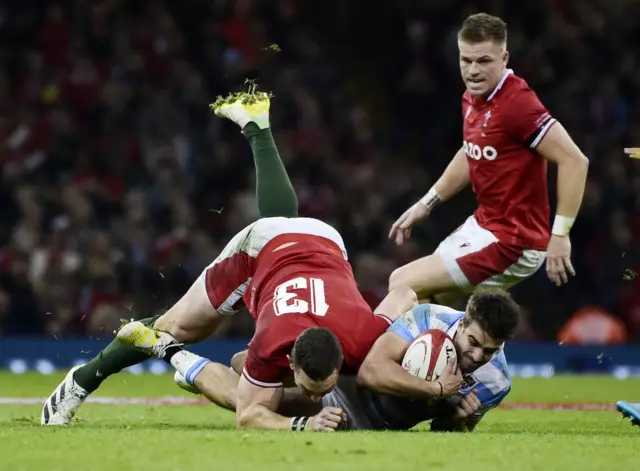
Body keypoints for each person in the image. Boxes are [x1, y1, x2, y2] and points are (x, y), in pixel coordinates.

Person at [41, 90, 434, 430]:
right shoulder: (271, 343)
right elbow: (248, 406)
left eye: (326, 386)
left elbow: (403, 295)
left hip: (323, 241)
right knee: (175, 328)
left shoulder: (364, 338)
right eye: (316, 387)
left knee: (266, 382)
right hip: (264, 251)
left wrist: (412, 340)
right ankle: (82, 380)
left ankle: (258, 126)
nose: (322, 398)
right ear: (291, 366)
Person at [388, 13, 589, 305]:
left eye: (483, 61)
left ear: (504, 57)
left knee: (401, 284)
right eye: (465, 60)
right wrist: (426, 204)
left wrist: (560, 236)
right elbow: (471, 151)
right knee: (426, 299)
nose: (472, 70)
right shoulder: (473, 97)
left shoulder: (517, 104)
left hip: (515, 240)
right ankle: (461, 350)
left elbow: (574, 160)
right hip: (484, 225)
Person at [128, 286, 518, 432]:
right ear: (462, 320)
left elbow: (443, 434)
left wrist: (458, 418)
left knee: (247, 389)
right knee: (250, 407)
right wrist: (435, 388)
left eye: (489, 351)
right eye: (473, 341)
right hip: (346, 386)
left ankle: (210, 366)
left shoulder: (496, 383)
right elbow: (370, 372)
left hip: (373, 425)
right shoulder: (425, 320)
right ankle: (173, 352)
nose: (476, 355)